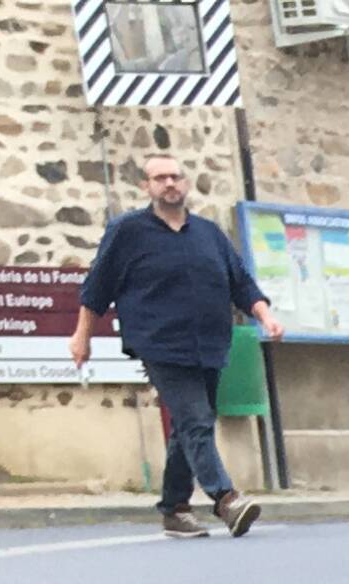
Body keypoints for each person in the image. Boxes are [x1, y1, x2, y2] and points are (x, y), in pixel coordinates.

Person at [70, 154, 283, 539]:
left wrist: (264, 315)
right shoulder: (128, 231)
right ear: (146, 187)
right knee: (196, 419)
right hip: (159, 342)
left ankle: (174, 509)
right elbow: (98, 287)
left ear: (185, 184)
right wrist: (81, 334)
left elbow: (241, 282)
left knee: (188, 425)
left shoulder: (208, 233)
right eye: (159, 178)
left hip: (210, 343)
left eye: (175, 177)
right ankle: (225, 498)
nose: (169, 183)